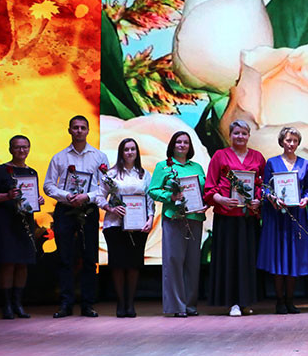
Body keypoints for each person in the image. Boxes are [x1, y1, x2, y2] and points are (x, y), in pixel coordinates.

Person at [44, 116, 109, 318]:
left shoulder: (99, 156)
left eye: (82, 128)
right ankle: (66, 304)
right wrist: (66, 196)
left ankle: (88, 304)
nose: (79, 131)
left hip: (89, 210)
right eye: (75, 127)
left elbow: (105, 186)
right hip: (65, 210)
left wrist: (86, 196)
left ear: (88, 130)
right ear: (69, 130)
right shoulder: (59, 157)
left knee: (89, 258)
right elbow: (48, 185)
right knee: (65, 258)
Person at [204, 120, 265, 316]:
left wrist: (258, 200)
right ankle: (232, 303)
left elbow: (263, 185)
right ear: (230, 135)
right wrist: (221, 199)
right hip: (226, 218)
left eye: (244, 133)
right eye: (236, 133)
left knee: (247, 260)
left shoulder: (257, 157)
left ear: (249, 136)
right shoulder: (220, 156)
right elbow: (210, 186)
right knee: (229, 260)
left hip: (248, 218)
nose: (240, 136)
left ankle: (246, 301)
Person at [148, 131, 206, 318]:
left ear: (190, 146)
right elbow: (153, 190)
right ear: (172, 145)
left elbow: (204, 190)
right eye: (178, 142)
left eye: (185, 142)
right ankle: (177, 306)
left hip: (194, 218)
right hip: (174, 218)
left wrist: (205, 203)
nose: (182, 145)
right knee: (173, 262)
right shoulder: (163, 166)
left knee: (193, 264)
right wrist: (170, 197)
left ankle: (190, 305)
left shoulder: (197, 167)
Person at [257, 126, 308, 315]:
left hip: (297, 217)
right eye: (288, 140)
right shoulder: (272, 162)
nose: (291, 144)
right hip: (277, 217)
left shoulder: (305, 164)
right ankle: (279, 301)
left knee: (294, 258)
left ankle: (290, 300)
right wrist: (271, 198)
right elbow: (265, 188)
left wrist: (306, 199)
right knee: (279, 257)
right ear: (282, 141)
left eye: (295, 141)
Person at [97, 138, 154, 318]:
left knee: (134, 265)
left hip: (138, 226)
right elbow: (99, 196)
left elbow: (150, 199)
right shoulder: (111, 174)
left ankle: (130, 303)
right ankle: (120, 303)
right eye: (126, 149)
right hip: (114, 225)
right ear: (121, 153)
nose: (129, 152)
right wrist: (110, 208)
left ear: (137, 152)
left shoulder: (144, 175)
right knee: (118, 265)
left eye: (132, 149)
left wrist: (150, 218)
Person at [0, 135, 44, 319]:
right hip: (5, 222)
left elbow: (30, 196)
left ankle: (18, 304)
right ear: (10, 149)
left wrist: (37, 200)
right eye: (18, 147)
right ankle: (6, 305)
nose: (22, 150)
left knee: (23, 263)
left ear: (29, 149)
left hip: (25, 222)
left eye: (25, 147)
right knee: (8, 262)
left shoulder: (31, 172)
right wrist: (7, 196)